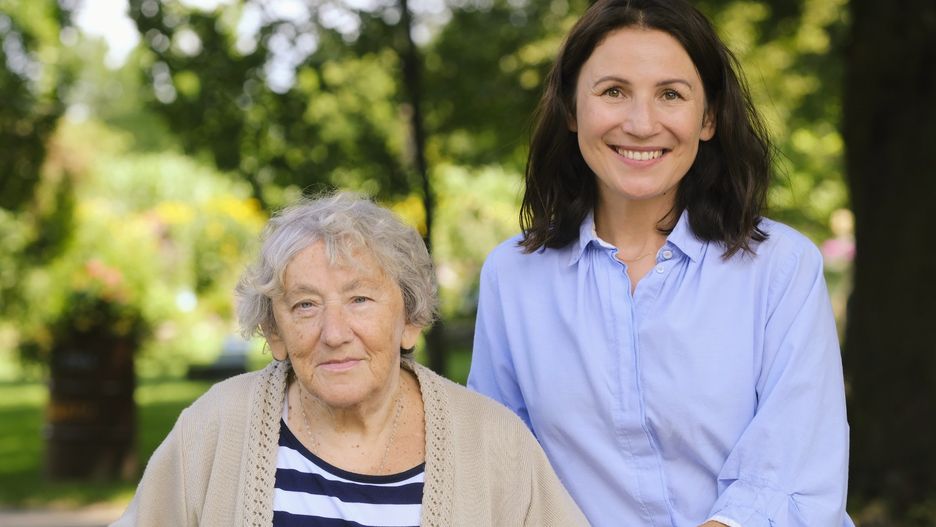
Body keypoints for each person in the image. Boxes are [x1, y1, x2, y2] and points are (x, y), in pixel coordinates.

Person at [467, 1, 853, 526]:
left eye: (670, 94)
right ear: (572, 110)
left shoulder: (782, 268)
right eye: (613, 92)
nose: (641, 123)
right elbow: (499, 466)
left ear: (709, 117)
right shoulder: (512, 276)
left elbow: (790, 473)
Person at [113, 193, 588, 527]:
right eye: (305, 305)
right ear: (274, 333)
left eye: (360, 299)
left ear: (410, 319)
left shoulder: (494, 441)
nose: (334, 333)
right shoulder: (215, 427)